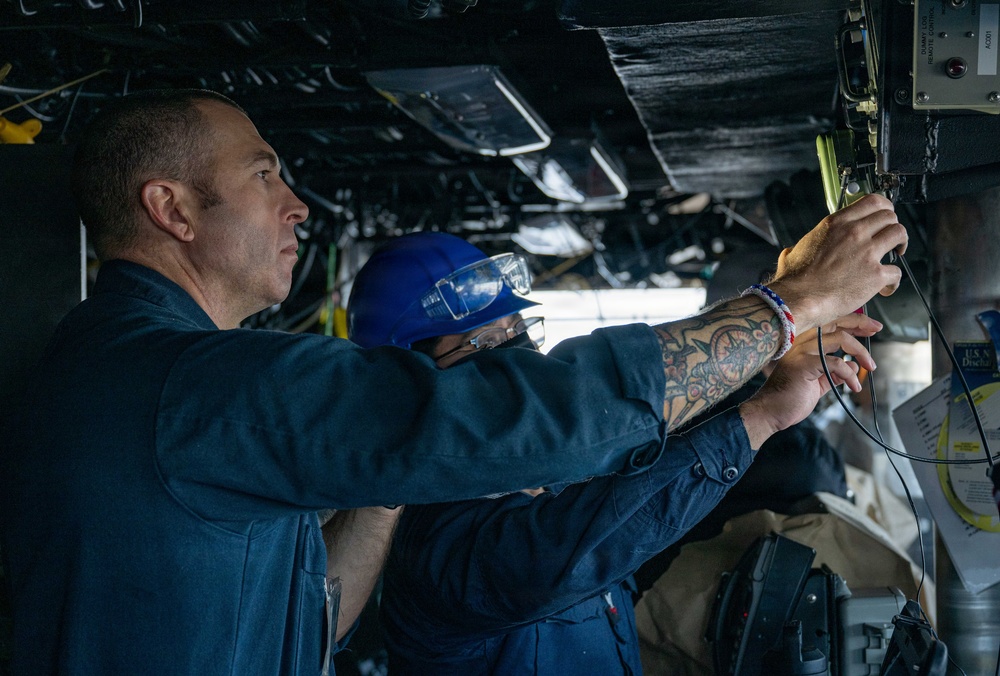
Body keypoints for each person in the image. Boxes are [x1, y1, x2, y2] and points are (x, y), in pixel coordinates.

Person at [0, 88, 905, 675]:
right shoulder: (194, 383)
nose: (297, 205)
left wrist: (389, 469)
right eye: (263, 174)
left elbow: (313, 626)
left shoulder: (131, 374)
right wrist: (786, 304)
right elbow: (535, 425)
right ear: (172, 209)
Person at [344, 232, 882, 674]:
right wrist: (761, 415)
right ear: (409, 385)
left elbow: (639, 435)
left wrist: (760, 372)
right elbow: (593, 538)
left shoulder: (547, 472)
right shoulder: (438, 547)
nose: (519, 358)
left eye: (519, 330)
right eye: (486, 342)